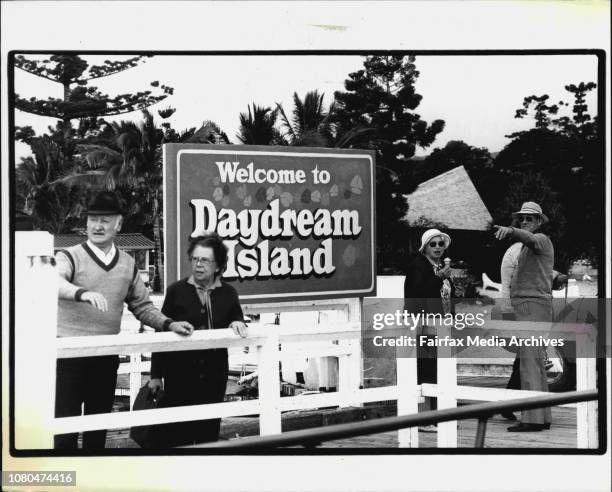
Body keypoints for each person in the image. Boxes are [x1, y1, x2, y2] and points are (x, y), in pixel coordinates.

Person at [55, 191, 194, 449]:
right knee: (64, 430)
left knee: (97, 429)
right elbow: (53, 282)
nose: (98, 226)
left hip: (106, 356)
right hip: (68, 357)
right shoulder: (70, 255)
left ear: (118, 224)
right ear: (86, 223)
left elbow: (142, 306)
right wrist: (82, 293)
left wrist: (169, 324)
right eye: (93, 219)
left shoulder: (128, 264)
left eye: (105, 220)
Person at [148, 233, 248, 447]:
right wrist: (156, 375)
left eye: (205, 260)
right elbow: (161, 333)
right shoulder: (176, 291)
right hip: (180, 375)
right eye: (195, 259)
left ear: (218, 265)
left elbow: (235, 315)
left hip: (214, 375)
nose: (198, 265)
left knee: (209, 431)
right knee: (179, 434)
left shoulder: (228, 293)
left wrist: (236, 322)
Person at [494, 201, 554, 432]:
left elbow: (530, 238)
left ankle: (531, 419)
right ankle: (542, 416)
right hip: (532, 307)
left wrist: (511, 231)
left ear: (539, 221)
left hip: (531, 307)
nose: (525, 221)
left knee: (529, 365)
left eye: (530, 218)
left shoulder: (540, 239)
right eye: (522, 219)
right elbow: (541, 269)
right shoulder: (529, 248)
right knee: (535, 365)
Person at [403, 228, 455, 432]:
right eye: (433, 244)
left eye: (441, 244)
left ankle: (437, 416)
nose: (438, 248)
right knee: (426, 368)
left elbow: (445, 297)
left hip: (440, 324)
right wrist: (438, 278)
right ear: (424, 247)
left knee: (439, 369)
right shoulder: (418, 265)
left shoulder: (440, 266)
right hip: (423, 324)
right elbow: (418, 292)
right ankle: (424, 418)